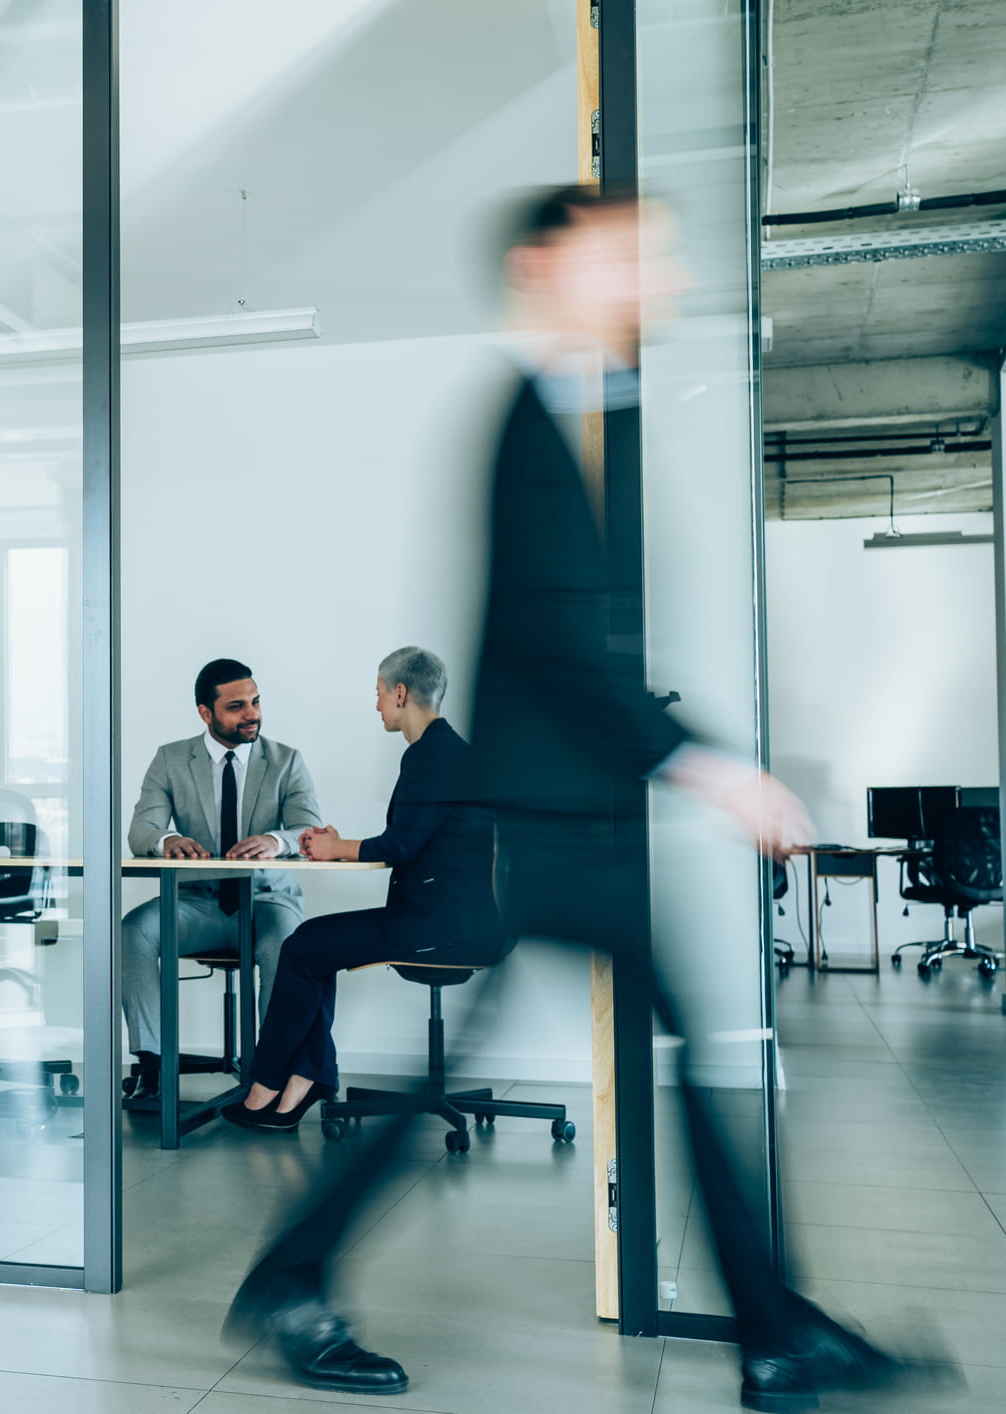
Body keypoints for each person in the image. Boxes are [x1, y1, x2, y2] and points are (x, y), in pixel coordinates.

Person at [225, 184, 936, 1413]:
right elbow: (561, 642)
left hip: (572, 814)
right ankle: (297, 1278)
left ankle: (775, 1330)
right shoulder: (529, 423)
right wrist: (712, 765)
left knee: (676, 1053)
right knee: (584, 1057)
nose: (661, 277)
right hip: (548, 824)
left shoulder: (594, 409)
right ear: (547, 271)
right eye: (630, 258)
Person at [223, 647, 498, 1133]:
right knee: (313, 947)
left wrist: (337, 848)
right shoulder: (451, 751)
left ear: (400, 693)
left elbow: (401, 845)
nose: (376, 705)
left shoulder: (430, 756)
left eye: (379, 694)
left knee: (303, 947)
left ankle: (271, 1083)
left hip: (436, 927)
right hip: (459, 920)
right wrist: (338, 845)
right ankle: (305, 1079)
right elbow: (417, 839)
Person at [122, 659, 323, 1097]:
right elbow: (141, 830)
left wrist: (275, 840)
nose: (252, 714)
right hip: (199, 902)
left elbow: (309, 829)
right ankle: (153, 1062)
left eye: (255, 702)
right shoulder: (171, 759)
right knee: (133, 930)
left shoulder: (286, 761)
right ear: (205, 713)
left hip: (268, 901)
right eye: (236, 706)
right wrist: (167, 840)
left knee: (287, 947)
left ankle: (273, 1070)